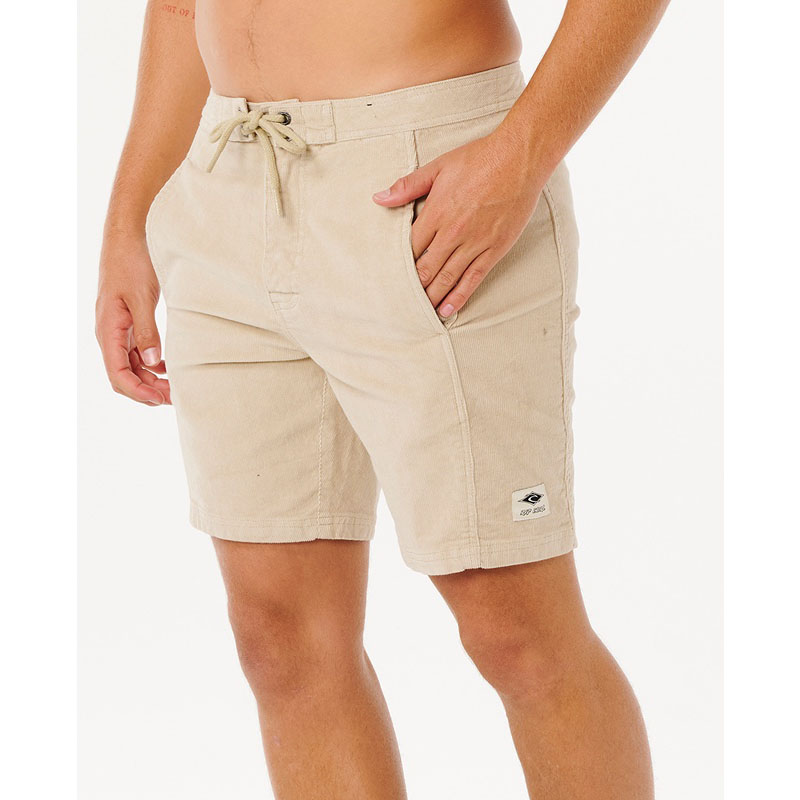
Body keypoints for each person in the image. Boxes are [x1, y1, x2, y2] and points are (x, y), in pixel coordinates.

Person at [95, 1, 669, 797]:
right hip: (227, 174)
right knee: (280, 639)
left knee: (517, 634)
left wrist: (521, 155)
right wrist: (128, 221)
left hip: (431, 181)